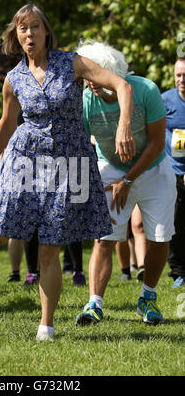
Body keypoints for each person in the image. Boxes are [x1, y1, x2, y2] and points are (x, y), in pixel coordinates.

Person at [0, 4, 134, 342]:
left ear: (46, 31)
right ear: (16, 36)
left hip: (70, 163)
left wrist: (124, 126)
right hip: (25, 158)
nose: (30, 33)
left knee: (51, 245)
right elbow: (7, 121)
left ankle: (45, 327)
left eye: (35, 27)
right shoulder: (14, 78)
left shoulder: (72, 63)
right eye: (23, 28)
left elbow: (122, 86)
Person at [75, 40, 177, 326]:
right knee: (103, 238)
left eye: (97, 74)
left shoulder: (145, 90)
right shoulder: (85, 100)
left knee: (159, 237)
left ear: (112, 71)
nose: (92, 82)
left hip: (153, 170)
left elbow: (158, 143)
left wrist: (129, 179)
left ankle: (148, 298)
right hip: (110, 170)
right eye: (87, 75)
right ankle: (94, 305)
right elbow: (82, 145)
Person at [162, 56, 185, 288]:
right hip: (172, 172)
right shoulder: (165, 100)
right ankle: (178, 271)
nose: (182, 79)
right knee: (176, 223)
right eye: (178, 75)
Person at [116, 204, 147, 281]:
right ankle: (126, 272)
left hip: (139, 192)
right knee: (121, 231)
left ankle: (142, 268)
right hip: (119, 194)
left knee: (139, 226)